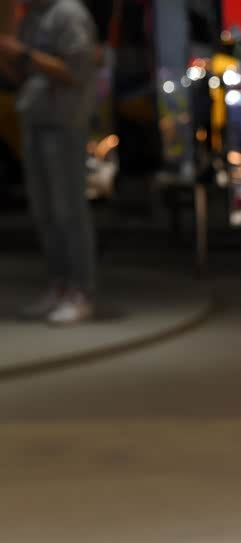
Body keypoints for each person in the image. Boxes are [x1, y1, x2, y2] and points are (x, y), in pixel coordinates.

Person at [0, 0, 98, 325]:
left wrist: (25, 55)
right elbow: (22, 75)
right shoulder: (32, 17)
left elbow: (79, 70)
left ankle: (80, 291)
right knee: (44, 211)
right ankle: (59, 286)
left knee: (68, 209)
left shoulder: (69, 13)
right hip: (35, 118)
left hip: (65, 123)